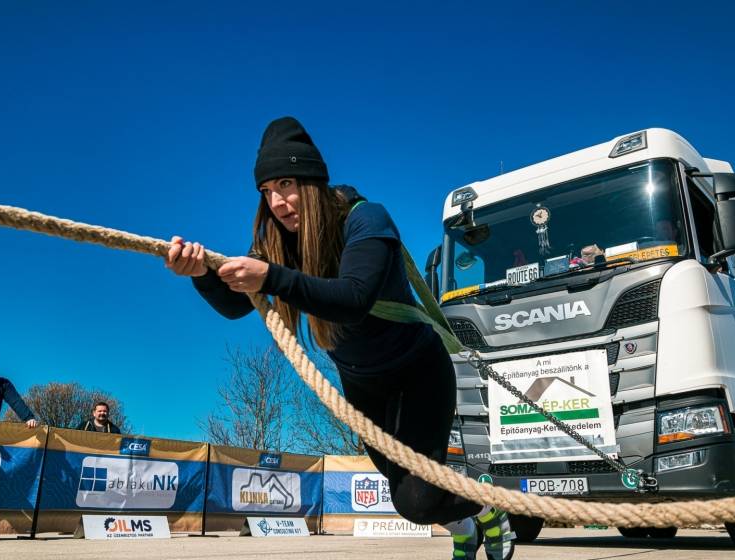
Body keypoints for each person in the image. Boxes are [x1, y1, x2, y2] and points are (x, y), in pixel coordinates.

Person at [165, 116, 513, 560]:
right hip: (362, 384)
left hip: (417, 372)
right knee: (405, 491)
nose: (277, 202)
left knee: (416, 502)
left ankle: (487, 507)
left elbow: (353, 298)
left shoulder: (366, 219)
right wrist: (201, 275)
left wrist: (270, 276)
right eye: (266, 191)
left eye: (286, 184)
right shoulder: (277, 243)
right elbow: (236, 305)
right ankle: (465, 527)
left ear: (311, 182)